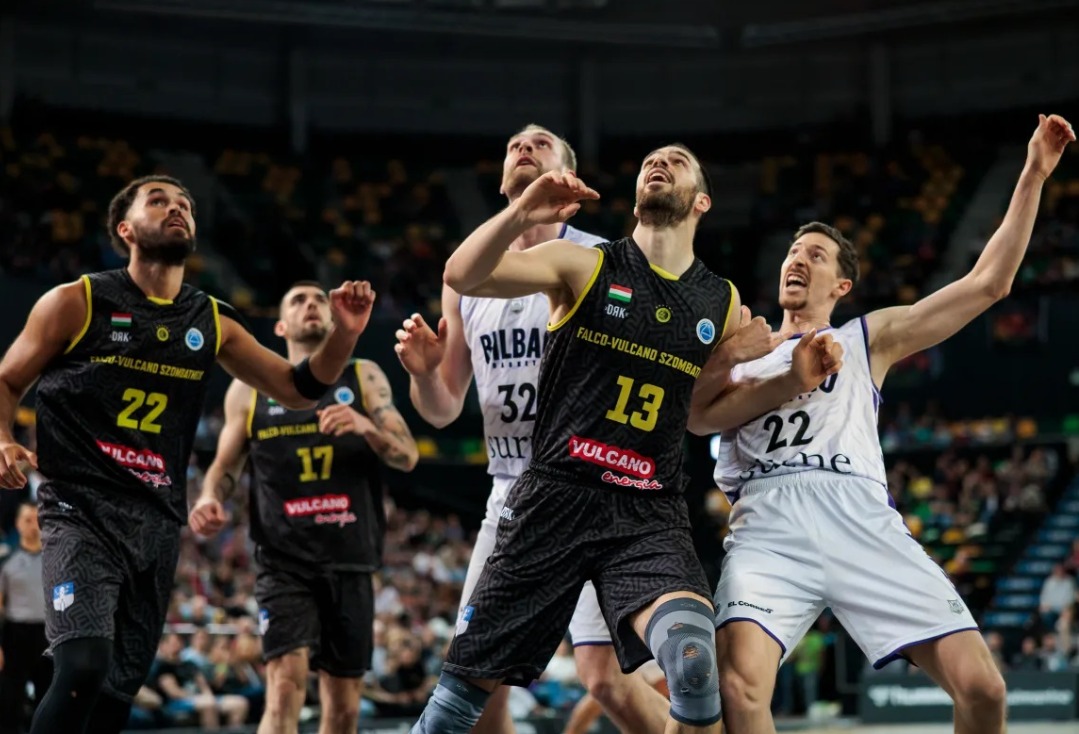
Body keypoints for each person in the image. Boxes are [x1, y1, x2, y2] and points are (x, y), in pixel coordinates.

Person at [406, 144, 841, 734]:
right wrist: (522, 212)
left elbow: (701, 416)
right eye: (649, 162)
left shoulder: (723, 301)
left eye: (678, 160)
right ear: (636, 198)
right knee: (454, 709)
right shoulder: (583, 265)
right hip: (553, 500)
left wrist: (784, 378)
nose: (659, 163)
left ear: (702, 201)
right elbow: (462, 275)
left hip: (645, 513)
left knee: (693, 665)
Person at [694, 113, 1076, 734]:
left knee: (984, 690)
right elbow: (692, 417)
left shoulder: (866, 337)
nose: (797, 259)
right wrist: (732, 359)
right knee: (737, 687)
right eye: (792, 251)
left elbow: (989, 283)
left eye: (815, 254)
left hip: (858, 512)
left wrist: (1032, 173)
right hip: (768, 522)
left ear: (841, 283)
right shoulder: (745, 347)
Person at [0, 175, 375, 734]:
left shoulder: (211, 319)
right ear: (125, 229)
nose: (176, 208)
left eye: (185, 204)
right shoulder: (76, 301)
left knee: (114, 695)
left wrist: (344, 335)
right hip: (81, 507)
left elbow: (296, 390)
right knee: (83, 665)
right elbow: (7, 380)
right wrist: (3, 438)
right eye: (158, 201)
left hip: (155, 521)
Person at [396, 124, 670, 734]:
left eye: (541, 144)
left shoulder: (603, 258)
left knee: (605, 680)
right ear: (502, 180)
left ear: (569, 181)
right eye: (514, 146)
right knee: (477, 673)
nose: (524, 147)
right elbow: (442, 409)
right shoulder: (468, 276)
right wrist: (423, 373)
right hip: (511, 490)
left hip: (590, 487)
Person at [190, 280, 419, 734]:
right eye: (298, 300)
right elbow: (224, 466)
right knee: (284, 686)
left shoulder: (363, 375)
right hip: (283, 559)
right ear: (280, 326)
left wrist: (365, 427)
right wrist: (210, 496)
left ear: (333, 320)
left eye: (318, 299)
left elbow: (407, 455)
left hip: (350, 557)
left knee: (344, 709)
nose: (311, 305)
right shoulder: (248, 390)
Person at [0, 502, 50, 734]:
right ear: (18, 524)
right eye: (27, 520)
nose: (33, 526)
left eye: (37, 520)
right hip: (16, 635)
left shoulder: (55, 560)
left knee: (48, 697)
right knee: (11, 699)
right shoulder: (7, 561)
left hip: (48, 635)